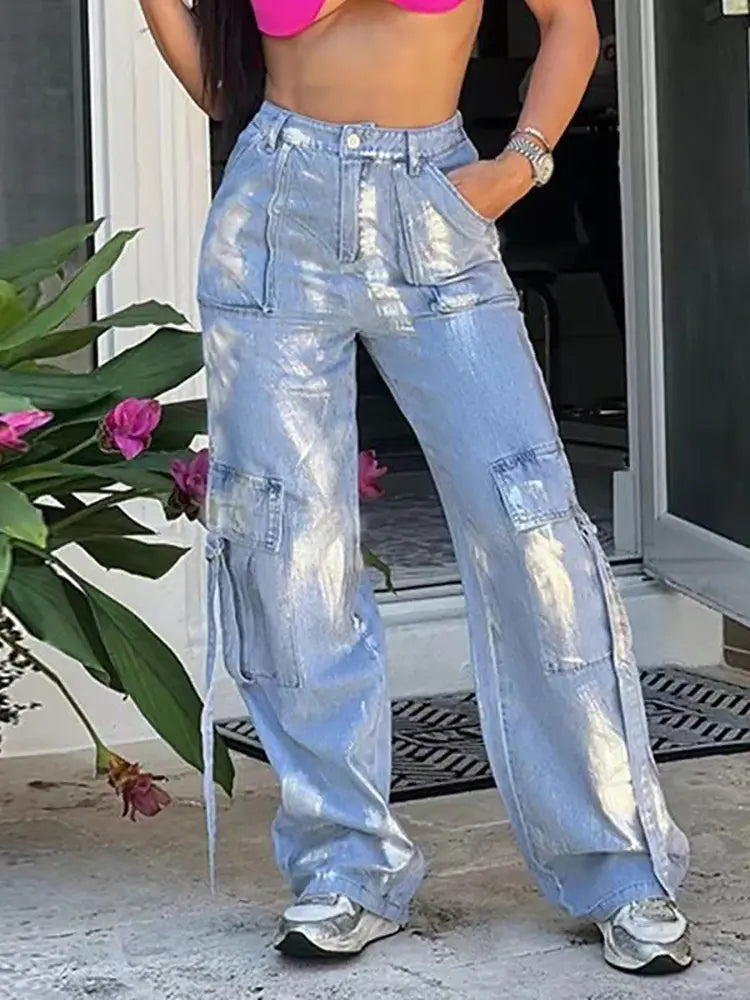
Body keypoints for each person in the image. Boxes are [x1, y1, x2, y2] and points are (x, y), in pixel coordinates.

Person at [140, 0, 691, 974]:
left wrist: (519, 164)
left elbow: (570, 22)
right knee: (285, 550)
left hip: (434, 205)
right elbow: (224, 90)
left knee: (533, 528)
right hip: (275, 211)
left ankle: (618, 864)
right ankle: (343, 868)